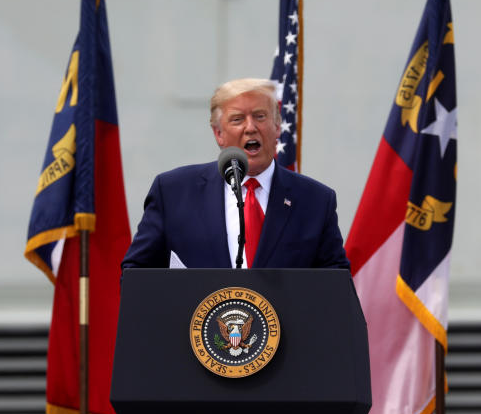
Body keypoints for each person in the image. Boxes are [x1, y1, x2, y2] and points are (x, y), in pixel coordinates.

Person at [122, 78, 349, 270]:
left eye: (260, 116)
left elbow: (335, 287)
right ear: (219, 133)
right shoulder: (173, 193)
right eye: (237, 119)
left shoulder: (315, 201)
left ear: (278, 126)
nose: (250, 127)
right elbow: (137, 275)